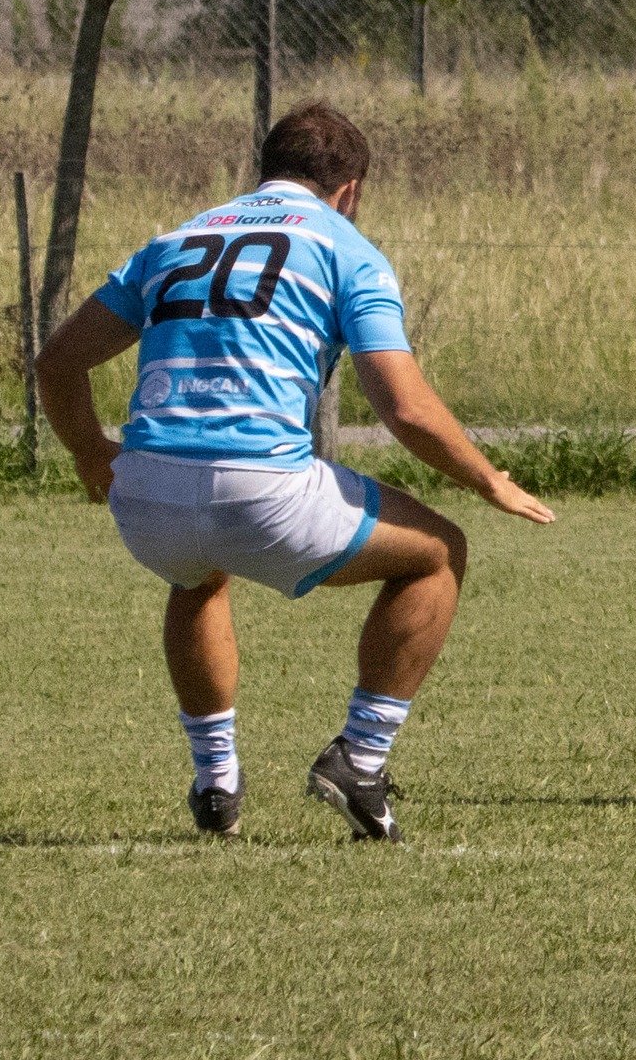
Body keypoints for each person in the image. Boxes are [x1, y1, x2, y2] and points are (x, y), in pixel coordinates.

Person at [37, 101, 554, 841]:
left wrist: (91, 452)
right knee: (439, 553)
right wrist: (487, 479)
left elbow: (57, 361)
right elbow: (403, 407)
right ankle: (361, 759)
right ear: (350, 189)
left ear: (266, 172)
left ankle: (216, 782)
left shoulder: (177, 239)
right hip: (262, 491)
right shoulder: (346, 246)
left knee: (194, 572)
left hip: (144, 497)